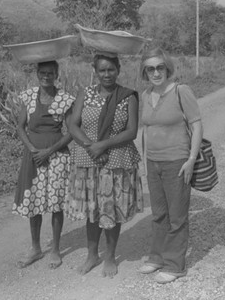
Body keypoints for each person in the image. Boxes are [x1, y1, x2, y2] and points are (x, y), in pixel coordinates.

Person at [65, 53, 143, 278]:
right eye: (102, 70)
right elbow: (73, 125)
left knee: (112, 210)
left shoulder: (128, 97)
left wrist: (104, 145)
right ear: (95, 71)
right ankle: (92, 255)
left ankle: (109, 256)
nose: (107, 74)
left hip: (117, 159)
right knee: (93, 210)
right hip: (87, 159)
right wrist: (92, 146)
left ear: (118, 69)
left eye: (111, 69)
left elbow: (131, 131)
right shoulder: (85, 93)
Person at [138, 48, 203, 284]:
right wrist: (146, 162)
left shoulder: (180, 91)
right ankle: (157, 257)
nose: (156, 72)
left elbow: (196, 126)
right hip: (153, 162)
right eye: (150, 68)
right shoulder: (145, 95)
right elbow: (146, 130)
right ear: (145, 72)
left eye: (160, 67)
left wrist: (191, 159)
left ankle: (175, 265)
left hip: (177, 161)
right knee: (159, 215)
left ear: (167, 68)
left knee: (177, 216)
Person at [13, 60, 75, 269]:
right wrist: (32, 150)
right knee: (34, 203)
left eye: (50, 73)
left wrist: (49, 151)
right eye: (42, 72)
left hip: (57, 158)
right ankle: (36, 248)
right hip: (33, 158)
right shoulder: (29, 96)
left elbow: (71, 131)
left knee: (56, 204)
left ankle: (56, 249)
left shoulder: (65, 99)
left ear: (57, 74)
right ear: (37, 73)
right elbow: (20, 127)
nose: (46, 76)